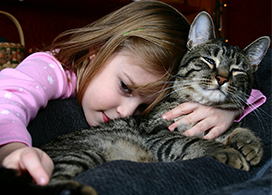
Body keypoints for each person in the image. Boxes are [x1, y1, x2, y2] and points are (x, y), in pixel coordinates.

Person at [0, 0, 265, 187]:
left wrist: (225, 108)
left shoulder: (168, 88)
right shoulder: (52, 69)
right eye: (125, 87)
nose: (126, 112)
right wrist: (14, 149)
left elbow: (251, 93)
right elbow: (8, 99)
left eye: (143, 107)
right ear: (97, 53)